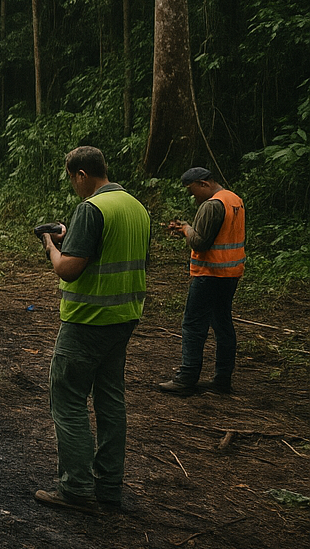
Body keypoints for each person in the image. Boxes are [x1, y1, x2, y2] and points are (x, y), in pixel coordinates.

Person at [35, 146, 150, 515]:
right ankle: (108, 487)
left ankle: (76, 488)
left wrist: (52, 245)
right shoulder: (135, 205)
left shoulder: (92, 208)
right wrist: (73, 235)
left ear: (81, 174)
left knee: (67, 399)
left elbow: (68, 269)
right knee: (110, 400)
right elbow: (110, 251)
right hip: (124, 316)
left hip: (88, 319)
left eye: (72, 179)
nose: (73, 187)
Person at [158, 168, 245, 394]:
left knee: (193, 325)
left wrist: (187, 229)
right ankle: (222, 379)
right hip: (230, 274)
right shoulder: (234, 199)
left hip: (209, 275)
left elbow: (200, 242)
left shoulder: (212, 205)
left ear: (203, 183)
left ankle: (187, 378)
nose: (192, 195)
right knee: (222, 323)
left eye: (192, 189)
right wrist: (188, 230)